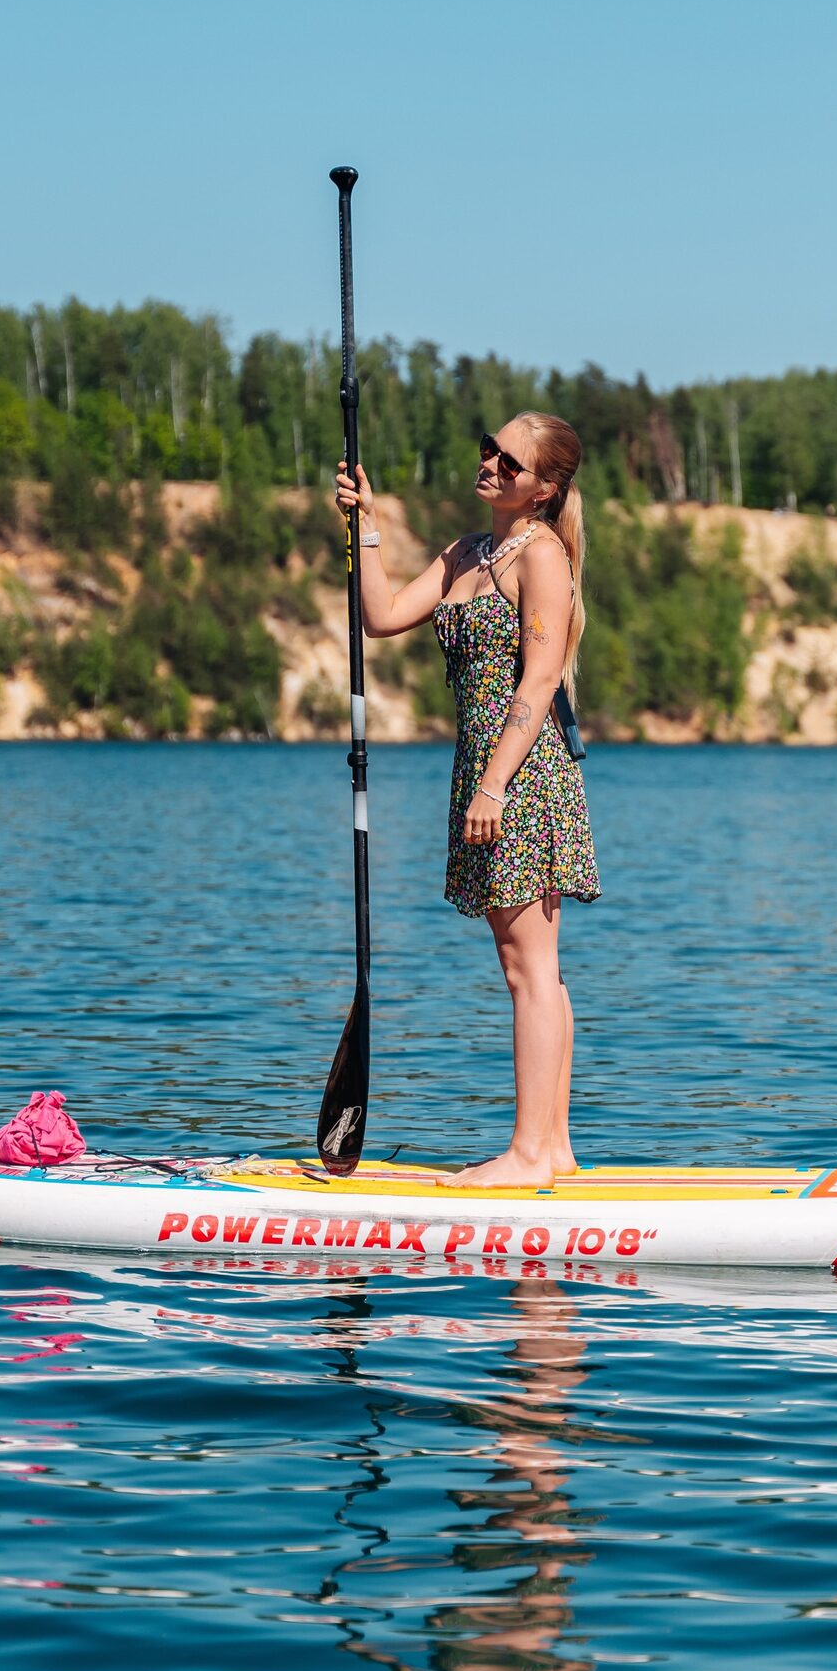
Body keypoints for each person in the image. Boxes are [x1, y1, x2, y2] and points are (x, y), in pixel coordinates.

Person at [334, 413, 599, 1185]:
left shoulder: (540, 555)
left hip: (520, 774)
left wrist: (495, 783)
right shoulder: (466, 553)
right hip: (482, 772)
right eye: (487, 445)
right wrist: (367, 528)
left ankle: (528, 1153)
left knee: (531, 968)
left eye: (510, 460)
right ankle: (553, 1149)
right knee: (530, 966)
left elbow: (541, 678)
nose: (490, 462)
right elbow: (380, 618)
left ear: (544, 487)